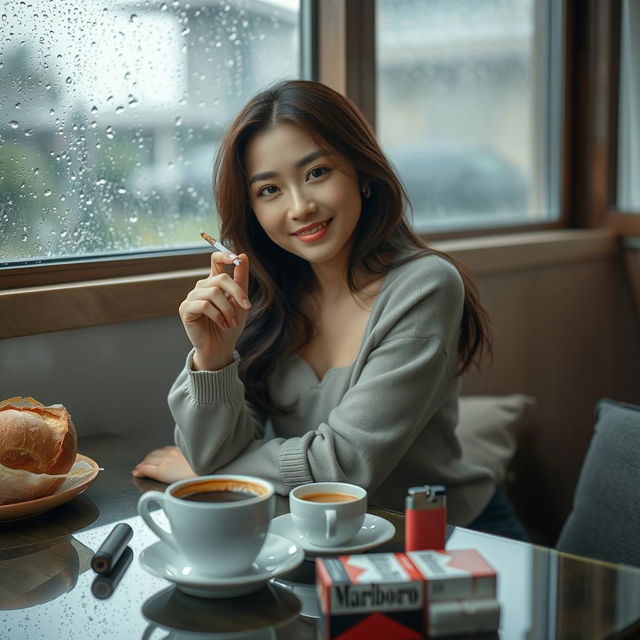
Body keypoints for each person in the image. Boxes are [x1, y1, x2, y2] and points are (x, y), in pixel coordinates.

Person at [133, 80, 527, 539]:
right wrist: (212, 357)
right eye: (269, 190)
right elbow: (211, 453)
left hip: (445, 541)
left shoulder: (425, 285)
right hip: (314, 542)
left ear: (361, 171)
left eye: (316, 172)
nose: (300, 207)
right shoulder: (261, 294)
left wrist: (217, 477)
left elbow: (340, 470)